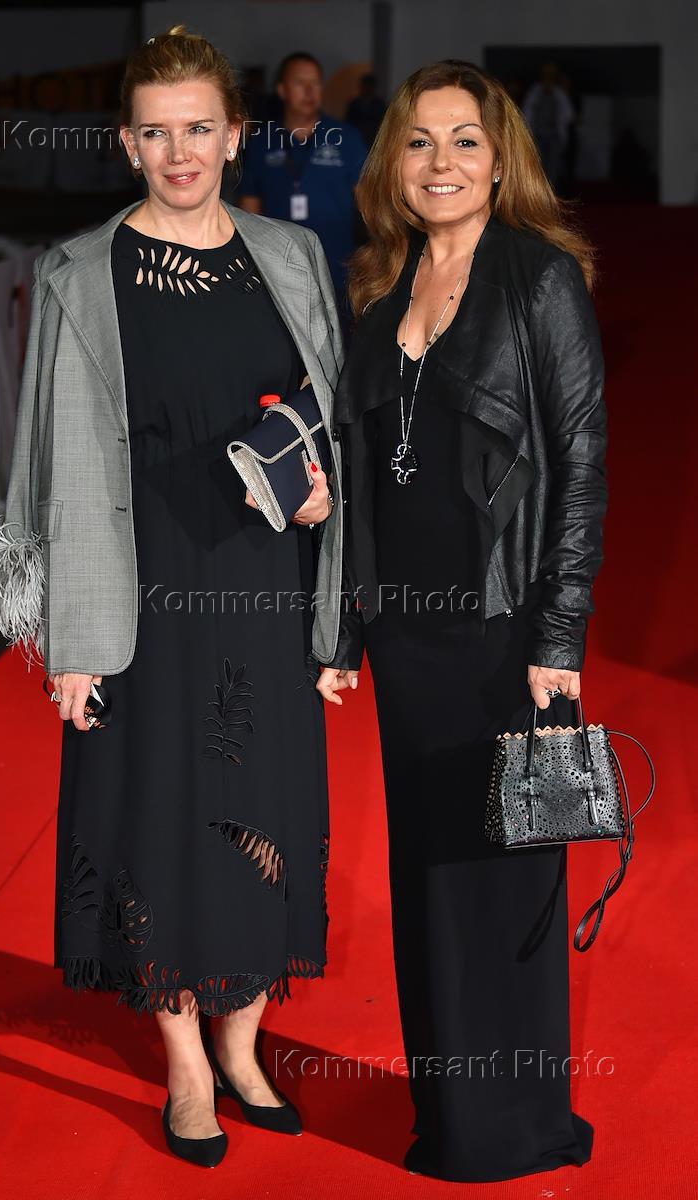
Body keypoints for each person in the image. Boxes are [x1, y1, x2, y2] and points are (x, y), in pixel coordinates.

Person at [0, 24, 346, 1169]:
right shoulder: (80, 270)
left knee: (267, 811)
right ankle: (185, 1065)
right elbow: (41, 454)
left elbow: (334, 413)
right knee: (159, 819)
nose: (180, 153)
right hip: (139, 588)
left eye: (199, 129)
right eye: (157, 133)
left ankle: (244, 1045)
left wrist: (326, 507)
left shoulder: (290, 256)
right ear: (128, 142)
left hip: (265, 583)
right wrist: (66, 638)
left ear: (233, 135)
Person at [319, 59, 606, 1182]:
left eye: (465, 141)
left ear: (500, 160)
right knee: (432, 876)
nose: (440, 162)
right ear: (392, 161)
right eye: (419, 141)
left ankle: (517, 1127)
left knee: (507, 875)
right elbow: (365, 477)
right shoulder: (379, 285)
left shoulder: (540, 278)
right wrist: (347, 627)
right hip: (409, 636)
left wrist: (558, 636)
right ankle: (450, 1116)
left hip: (502, 628)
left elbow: (580, 464)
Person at [237, 51, 367, 326]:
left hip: (337, 275)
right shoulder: (262, 141)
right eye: (300, 83)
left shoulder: (346, 138)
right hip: (278, 277)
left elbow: (371, 204)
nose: (310, 91)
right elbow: (249, 210)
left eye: (316, 83)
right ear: (282, 90)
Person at [521, 62, 575, 190]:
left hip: (555, 137)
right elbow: (526, 114)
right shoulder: (534, 92)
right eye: (546, 73)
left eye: (551, 73)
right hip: (537, 137)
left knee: (554, 168)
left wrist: (558, 120)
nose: (548, 76)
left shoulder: (559, 93)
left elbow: (569, 114)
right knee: (538, 168)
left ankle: (553, 193)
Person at [345, 72, 387, 149]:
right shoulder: (354, 104)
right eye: (365, 86)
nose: (367, 89)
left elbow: (383, 123)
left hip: (374, 141)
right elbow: (348, 123)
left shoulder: (379, 104)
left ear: (373, 87)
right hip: (356, 140)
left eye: (369, 86)